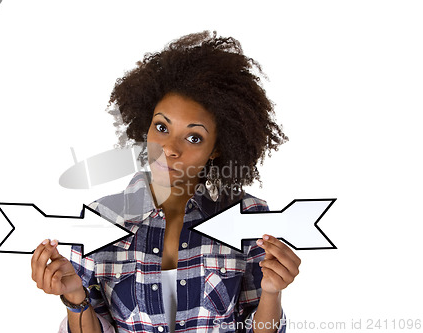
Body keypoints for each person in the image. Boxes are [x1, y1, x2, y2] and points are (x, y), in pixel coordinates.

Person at [31, 31, 301, 333]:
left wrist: (272, 292)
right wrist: (74, 297)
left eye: (194, 137)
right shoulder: (102, 220)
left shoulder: (246, 216)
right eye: (162, 127)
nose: (170, 148)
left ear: (217, 148)